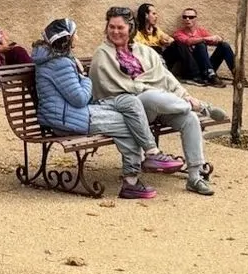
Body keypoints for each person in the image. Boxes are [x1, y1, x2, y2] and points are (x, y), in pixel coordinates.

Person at [91, 6, 218, 196]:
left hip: (159, 105)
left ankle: (194, 176)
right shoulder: (102, 54)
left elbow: (165, 77)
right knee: (149, 96)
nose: (115, 32)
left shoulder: (144, 51)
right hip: (129, 111)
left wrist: (185, 95)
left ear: (130, 28)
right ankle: (198, 107)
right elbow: (110, 88)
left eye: (120, 27)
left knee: (190, 119)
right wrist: (147, 88)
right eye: (112, 27)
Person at [30, 18, 160, 200]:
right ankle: (131, 182)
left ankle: (152, 153)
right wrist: (86, 77)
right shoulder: (59, 63)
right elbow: (79, 99)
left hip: (75, 113)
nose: (78, 36)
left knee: (130, 102)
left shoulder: (58, 59)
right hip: (66, 120)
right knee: (127, 124)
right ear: (67, 39)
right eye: (75, 33)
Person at [170, 8, 237, 85]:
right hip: (192, 68)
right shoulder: (178, 33)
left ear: (196, 19)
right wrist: (204, 39)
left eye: (191, 17)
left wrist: (218, 39)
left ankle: (238, 76)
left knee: (224, 45)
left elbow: (212, 40)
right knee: (200, 44)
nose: (187, 19)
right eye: (185, 17)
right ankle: (210, 75)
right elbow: (188, 41)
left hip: (206, 66)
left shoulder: (201, 31)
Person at [131, 4, 193, 81]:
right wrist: (156, 46)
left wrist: (167, 41)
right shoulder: (136, 31)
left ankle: (192, 74)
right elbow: (139, 48)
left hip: (162, 58)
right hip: (149, 61)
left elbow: (170, 39)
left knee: (178, 44)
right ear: (146, 15)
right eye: (153, 14)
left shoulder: (156, 29)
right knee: (154, 49)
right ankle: (163, 76)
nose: (156, 16)